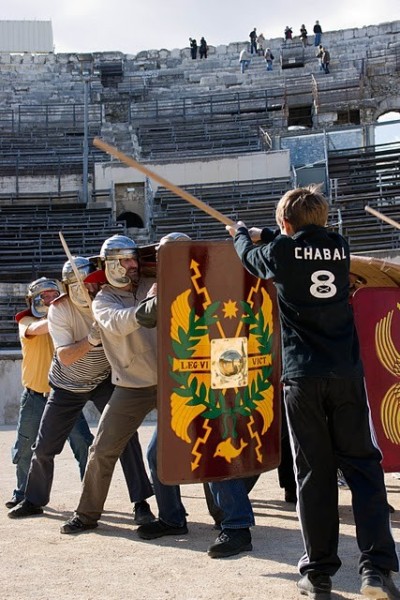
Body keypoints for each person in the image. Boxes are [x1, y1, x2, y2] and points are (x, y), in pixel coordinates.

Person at [226, 186, 400, 599]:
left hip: (303, 377)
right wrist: (271, 233)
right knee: (363, 469)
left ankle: (319, 572)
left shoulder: (279, 253)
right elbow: (296, 242)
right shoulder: (339, 247)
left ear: (286, 223)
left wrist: (241, 233)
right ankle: (377, 570)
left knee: (313, 474)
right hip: (345, 375)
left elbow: (250, 258)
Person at [8, 257, 154, 525]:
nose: (89, 289)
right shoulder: (59, 309)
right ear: (68, 287)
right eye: (80, 285)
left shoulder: (107, 300)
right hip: (67, 385)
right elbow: (65, 357)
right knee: (45, 446)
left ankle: (141, 503)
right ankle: (33, 499)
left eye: (92, 284)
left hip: (103, 380)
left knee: (125, 439)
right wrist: (92, 338)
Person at [60, 236, 188, 538]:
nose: (133, 265)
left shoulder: (152, 282)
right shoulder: (102, 301)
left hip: (172, 381)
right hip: (131, 385)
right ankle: (86, 515)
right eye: (126, 261)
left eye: (134, 259)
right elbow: (121, 322)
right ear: (111, 265)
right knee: (102, 449)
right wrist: (152, 303)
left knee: (174, 450)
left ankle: (196, 518)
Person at [6, 277, 93, 509]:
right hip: (34, 396)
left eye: (54, 295)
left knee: (84, 443)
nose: (50, 299)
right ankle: (22, 493)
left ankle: (91, 494)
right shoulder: (26, 321)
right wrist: (61, 314)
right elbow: (36, 329)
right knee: (25, 447)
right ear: (33, 300)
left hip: (65, 394)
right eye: (44, 296)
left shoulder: (67, 320)